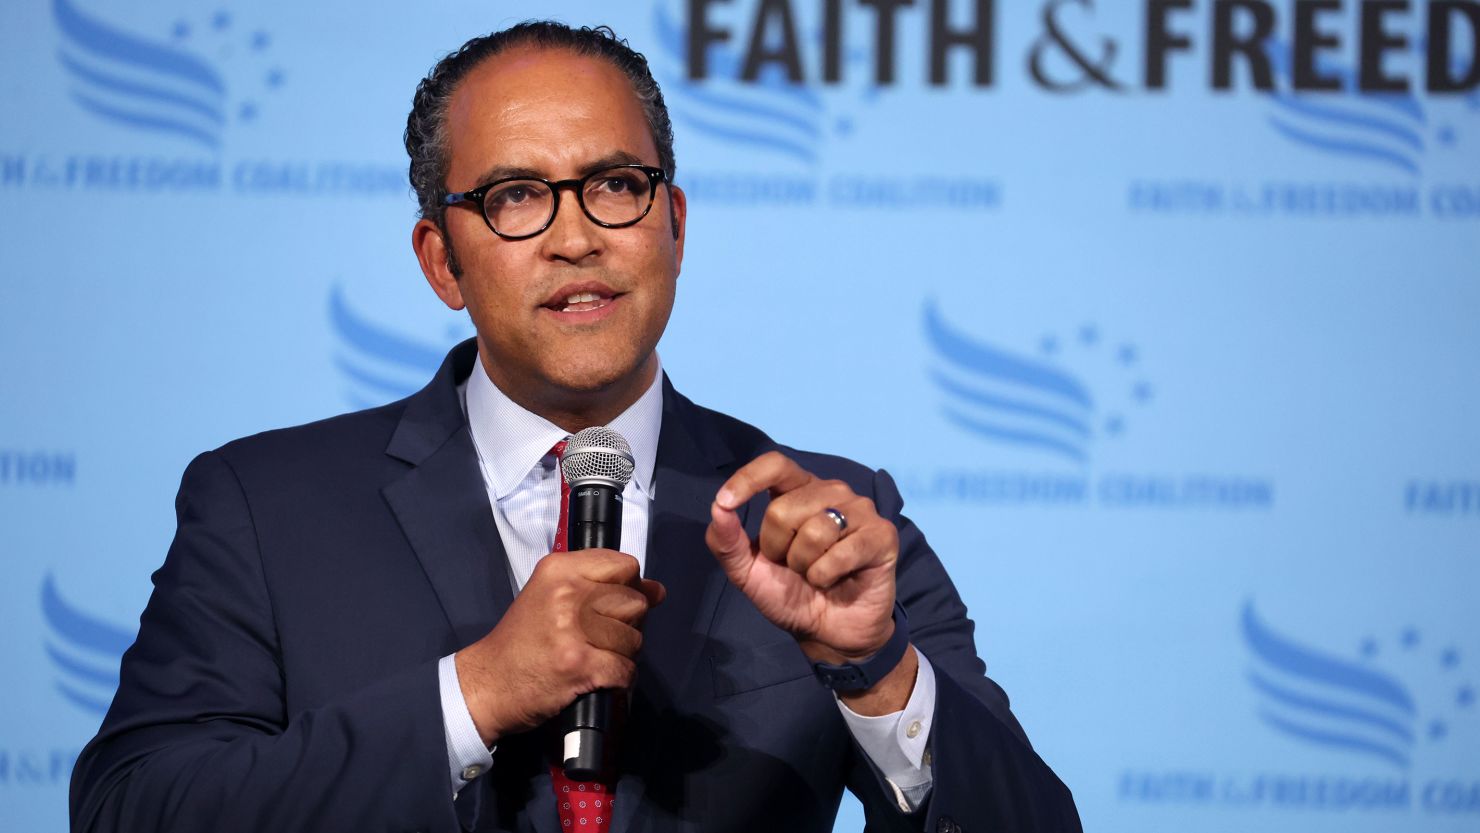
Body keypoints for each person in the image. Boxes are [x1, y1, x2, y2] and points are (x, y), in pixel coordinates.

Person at [70, 21, 1080, 833]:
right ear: (440, 261)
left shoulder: (822, 516)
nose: (574, 234)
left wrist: (875, 670)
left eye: (614, 185)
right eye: (515, 196)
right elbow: (133, 808)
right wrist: (469, 695)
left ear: (674, 225)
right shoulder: (264, 504)